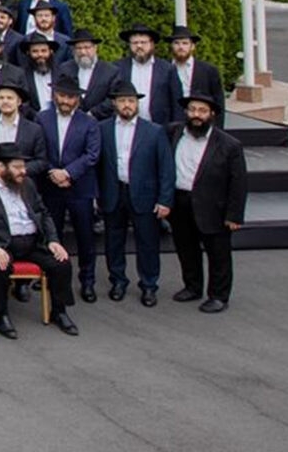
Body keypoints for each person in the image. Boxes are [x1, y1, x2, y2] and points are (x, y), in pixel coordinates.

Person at [0, 143, 79, 337]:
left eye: (23, 166)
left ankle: (59, 311)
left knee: (61, 262)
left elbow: (43, 213)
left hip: (32, 241)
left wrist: (53, 240)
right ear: (0, 167)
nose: (23, 171)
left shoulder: (27, 184)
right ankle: (1, 315)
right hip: (2, 243)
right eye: (17, 167)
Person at [98, 79, 174, 306]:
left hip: (144, 195)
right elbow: (98, 164)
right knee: (114, 240)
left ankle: (149, 285)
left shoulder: (154, 131)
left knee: (147, 242)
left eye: (131, 101)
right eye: (122, 101)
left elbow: (166, 168)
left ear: (137, 103)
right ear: (114, 104)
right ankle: (118, 280)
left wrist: (164, 200)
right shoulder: (103, 129)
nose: (127, 105)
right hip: (113, 192)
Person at [168, 92, 247, 313]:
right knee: (186, 248)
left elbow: (239, 182)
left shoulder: (229, 145)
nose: (196, 115)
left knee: (218, 253)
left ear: (211, 114)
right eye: (192, 110)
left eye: (202, 111)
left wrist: (234, 215)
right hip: (180, 201)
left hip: (213, 206)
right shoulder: (173, 133)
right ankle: (192, 287)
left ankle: (219, 295)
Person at [37, 74, 102, 301]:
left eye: (70, 97)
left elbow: (92, 155)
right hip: (50, 186)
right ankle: (51, 276)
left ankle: (87, 281)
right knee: (51, 235)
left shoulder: (89, 122)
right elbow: (38, 150)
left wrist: (68, 173)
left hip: (80, 188)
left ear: (77, 99)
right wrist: (54, 172)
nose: (65, 100)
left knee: (85, 237)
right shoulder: (41, 119)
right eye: (62, 95)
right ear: (55, 95)